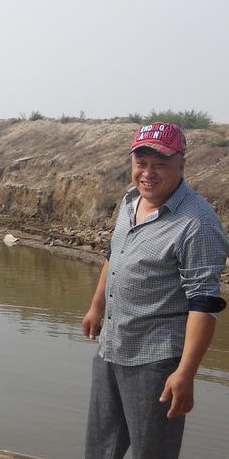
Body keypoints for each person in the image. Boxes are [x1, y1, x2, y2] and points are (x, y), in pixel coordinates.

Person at [82, 122, 228, 459]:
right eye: (141, 163)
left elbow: (203, 305)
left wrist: (185, 374)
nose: (147, 173)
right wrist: (96, 306)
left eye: (159, 164)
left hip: (156, 362)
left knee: (152, 453)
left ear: (181, 165)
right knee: (99, 448)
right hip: (111, 348)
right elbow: (113, 255)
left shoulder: (197, 223)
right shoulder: (130, 200)